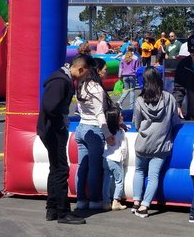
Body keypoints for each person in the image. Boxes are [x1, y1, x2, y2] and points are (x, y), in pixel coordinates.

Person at [37, 54, 92, 224]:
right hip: (52, 130)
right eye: (85, 74)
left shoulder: (61, 78)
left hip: (49, 129)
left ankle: (52, 208)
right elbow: (49, 105)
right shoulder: (61, 81)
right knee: (61, 169)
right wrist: (60, 123)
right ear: (80, 69)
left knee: (55, 168)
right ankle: (63, 212)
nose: (84, 77)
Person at [132, 66, 179, 218]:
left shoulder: (139, 100)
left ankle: (136, 202)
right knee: (154, 175)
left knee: (139, 171)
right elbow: (174, 120)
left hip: (142, 143)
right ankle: (145, 205)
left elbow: (136, 124)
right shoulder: (169, 98)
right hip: (161, 144)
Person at [75, 65, 116, 211]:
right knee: (94, 167)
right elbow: (100, 114)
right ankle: (94, 200)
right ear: (98, 71)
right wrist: (108, 134)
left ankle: (80, 199)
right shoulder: (96, 88)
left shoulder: (82, 85)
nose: (106, 72)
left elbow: (79, 109)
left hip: (81, 127)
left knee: (82, 166)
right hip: (93, 129)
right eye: (105, 69)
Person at [101, 106, 129, 211]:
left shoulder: (106, 130)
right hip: (116, 159)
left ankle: (105, 202)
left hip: (106, 158)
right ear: (116, 119)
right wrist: (124, 158)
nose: (122, 116)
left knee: (107, 181)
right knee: (119, 180)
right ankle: (116, 201)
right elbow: (123, 147)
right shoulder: (120, 132)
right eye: (120, 115)